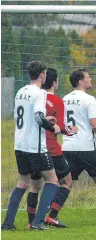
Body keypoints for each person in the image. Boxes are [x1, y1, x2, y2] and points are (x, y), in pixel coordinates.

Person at [1, 61, 61, 231]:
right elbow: (38, 118)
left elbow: (25, 116)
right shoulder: (40, 93)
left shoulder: (21, 91)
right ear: (42, 74)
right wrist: (53, 127)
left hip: (20, 144)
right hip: (35, 147)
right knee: (53, 180)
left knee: (22, 182)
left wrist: (45, 119)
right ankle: (37, 222)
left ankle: (7, 223)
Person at [27, 68, 78, 229]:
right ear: (55, 82)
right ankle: (51, 217)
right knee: (66, 181)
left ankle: (31, 221)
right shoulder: (56, 101)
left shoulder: (34, 97)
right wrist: (72, 130)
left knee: (35, 185)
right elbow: (60, 127)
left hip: (33, 147)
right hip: (51, 148)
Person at [62, 69, 96, 224]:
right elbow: (95, 125)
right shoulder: (89, 99)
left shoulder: (64, 99)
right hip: (87, 148)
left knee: (64, 183)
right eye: (87, 77)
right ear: (80, 81)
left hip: (68, 147)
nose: (90, 78)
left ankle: (51, 215)